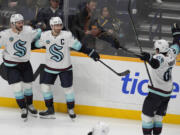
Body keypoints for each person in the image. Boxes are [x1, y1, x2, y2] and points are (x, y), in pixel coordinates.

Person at [35, 17, 100, 119]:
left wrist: (91, 52)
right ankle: (50, 109)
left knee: (68, 89)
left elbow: (79, 47)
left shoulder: (67, 35)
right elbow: (36, 44)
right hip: (50, 67)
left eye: (60, 25)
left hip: (65, 68)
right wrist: (35, 36)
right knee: (45, 87)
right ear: (51, 26)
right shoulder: (44, 35)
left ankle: (71, 109)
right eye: (56, 25)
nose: (58, 27)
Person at [139, 23, 180, 135]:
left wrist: (149, 58)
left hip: (156, 93)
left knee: (146, 117)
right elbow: (177, 44)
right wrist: (176, 33)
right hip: (167, 93)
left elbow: (155, 63)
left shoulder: (159, 57)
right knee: (158, 118)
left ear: (158, 49)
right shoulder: (171, 53)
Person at [0, 14, 42, 121]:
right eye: (18, 23)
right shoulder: (5, 35)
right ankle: (23, 107)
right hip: (11, 65)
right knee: (17, 88)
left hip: (25, 63)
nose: (21, 24)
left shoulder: (28, 31)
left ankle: (30, 104)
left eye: (22, 22)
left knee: (28, 87)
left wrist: (40, 29)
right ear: (12, 24)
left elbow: (37, 33)